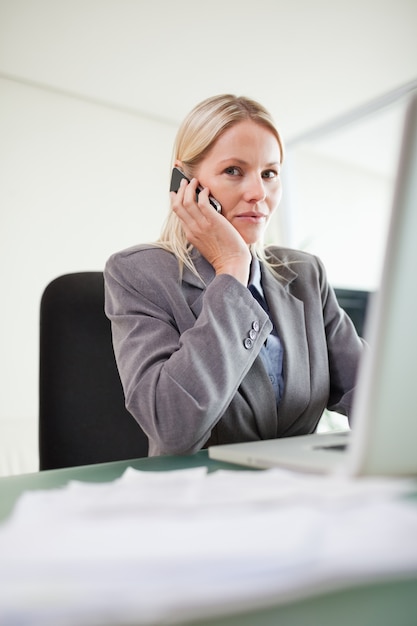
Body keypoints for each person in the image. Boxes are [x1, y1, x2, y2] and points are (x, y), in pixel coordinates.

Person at [104, 94, 365, 457]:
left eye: (269, 174)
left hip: (302, 496)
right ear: (185, 181)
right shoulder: (138, 273)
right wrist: (231, 269)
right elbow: (173, 428)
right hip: (200, 500)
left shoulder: (304, 274)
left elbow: (372, 396)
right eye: (233, 171)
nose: (259, 193)